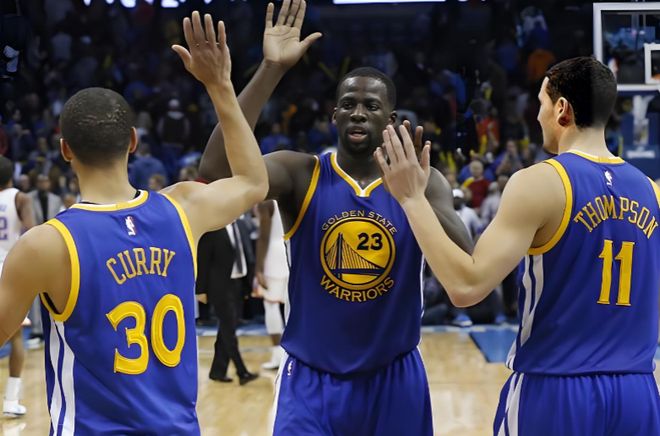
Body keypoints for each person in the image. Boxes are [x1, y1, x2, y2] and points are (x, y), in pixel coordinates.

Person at [198, 1, 472, 433]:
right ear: (335, 115)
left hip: (394, 376)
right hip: (311, 379)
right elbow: (214, 172)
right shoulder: (300, 173)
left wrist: (415, 197)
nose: (358, 112)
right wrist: (271, 69)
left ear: (391, 119)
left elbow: (466, 263)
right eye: (348, 104)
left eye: (370, 105)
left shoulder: (424, 181)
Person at [0, 12, 268, 434]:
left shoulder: (45, 245)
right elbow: (254, 182)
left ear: (65, 150)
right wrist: (220, 86)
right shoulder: (183, 208)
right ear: (133, 142)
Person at [375, 56, 660, 435]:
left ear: (562, 109)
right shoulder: (652, 192)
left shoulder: (540, 182)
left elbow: (466, 287)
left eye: (541, 103)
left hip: (556, 390)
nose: (537, 116)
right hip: (638, 394)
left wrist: (412, 199)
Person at [196, 221, 259, 385]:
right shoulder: (213, 228)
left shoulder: (241, 226)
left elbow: (247, 254)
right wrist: (200, 290)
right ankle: (242, 372)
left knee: (226, 329)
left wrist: (248, 285)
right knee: (229, 331)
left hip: (239, 283)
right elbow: (203, 259)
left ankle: (217, 371)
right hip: (220, 287)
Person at [0, 156, 35, 417]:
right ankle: (11, 401)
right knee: (15, 336)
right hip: (7, 271)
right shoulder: (20, 198)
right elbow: (32, 233)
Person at [253, 200, 288, 370]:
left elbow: (264, 236)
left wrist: (258, 268)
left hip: (273, 256)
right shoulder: (292, 194)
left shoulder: (266, 203)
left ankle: (277, 355)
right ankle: (293, 353)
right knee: (291, 307)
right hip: (291, 252)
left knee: (271, 306)